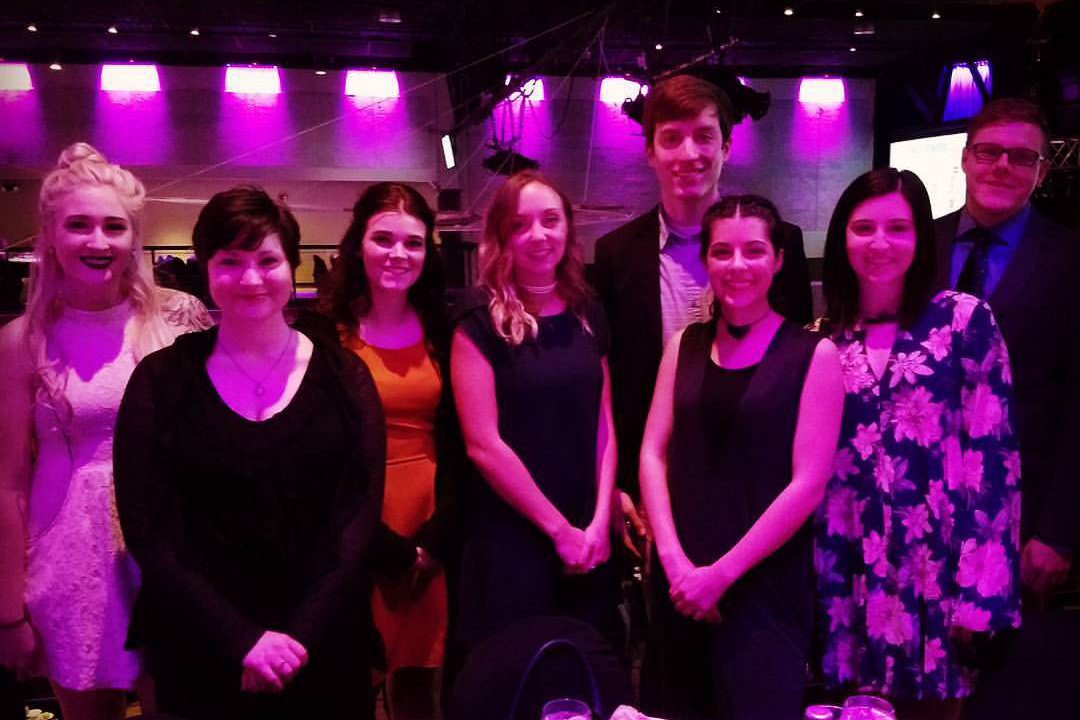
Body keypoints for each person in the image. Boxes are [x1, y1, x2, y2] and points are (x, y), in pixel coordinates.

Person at [113, 186, 386, 720]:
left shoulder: (344, 376)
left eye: (267, 260)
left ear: (293, 264)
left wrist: (297, 637)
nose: (251, 278)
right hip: (202, 645)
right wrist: (241, 640)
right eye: (230, 262)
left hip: (323, 642)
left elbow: (358, 517)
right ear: (206, 268)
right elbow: (147, 528)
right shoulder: (161, 380)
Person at [0, 143, 210, 720]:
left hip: (173, 551)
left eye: (114, 226)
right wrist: (7, 611)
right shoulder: (21, 341)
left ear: (134, 237)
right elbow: (9, 484)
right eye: (79, 225)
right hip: (71, 559)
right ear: (49, 236)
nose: (99, 241)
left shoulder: (178, 319)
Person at [815, 168, 1021, 720]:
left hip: (937, 572)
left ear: (921, 237)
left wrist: (982, 591)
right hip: (848, 570)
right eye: (864, 228)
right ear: (842, 237)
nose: (880, 243)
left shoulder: (964, 320)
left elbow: (994, 460)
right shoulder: (825, 337)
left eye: (898, 228)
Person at [638, 194, 843, 720]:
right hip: (679, 585)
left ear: (778, 259)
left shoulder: (813, 354)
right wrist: (675, 565)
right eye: (722, 252)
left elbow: (807, 485)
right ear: (705, 259)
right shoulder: (682, 345)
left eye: (753, 251)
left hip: (762, 587)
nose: (737, 265)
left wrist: (719, 576)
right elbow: (653, 453)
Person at [592, 73, 812, 554]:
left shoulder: (781, 245)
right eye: (671, 138)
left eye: (704, 136)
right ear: (650, 152)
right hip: (653, 489)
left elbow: (795, 373)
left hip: (759, 487)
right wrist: (617, 483)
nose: (689, 153)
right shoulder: (615, 256)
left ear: (726, 146)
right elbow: (610, 387)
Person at [932, 98, 1080, 719]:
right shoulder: (918, 242)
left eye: (1021, 157)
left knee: (1009, 697)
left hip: (1022, 522)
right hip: (920, 511)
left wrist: (1059, 531)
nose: (1002, 166)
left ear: (1041, 171)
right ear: (966, 158)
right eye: (989, 152)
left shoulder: (1071, 259)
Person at [450, 170, 621, 650]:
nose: (539, 235)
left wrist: (600, 520)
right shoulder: (477, 318)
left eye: (550, 220)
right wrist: (559, 531)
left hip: (588, 533)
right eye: (520, 224)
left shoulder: (588, 309)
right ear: (502, 236)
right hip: (513, 536)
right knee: (519, 671)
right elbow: (483, 445)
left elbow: (605, 424)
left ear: (568, 227)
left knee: (588, 668)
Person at [324, 182, 460, 720]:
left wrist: (433, 541)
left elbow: (460, 444)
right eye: (384, 239)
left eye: (414, 242)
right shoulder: (325, 334)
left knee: (420, 689)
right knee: (350, 681)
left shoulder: (445, 330)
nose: (398, 254)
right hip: (353, 523)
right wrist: (381, 546)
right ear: (358, 243)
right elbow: (321, 454)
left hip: (429, 521)